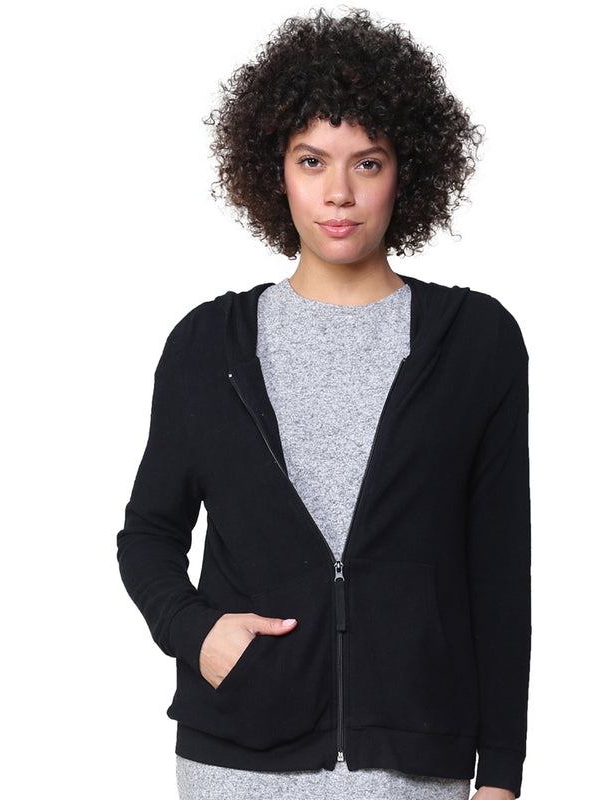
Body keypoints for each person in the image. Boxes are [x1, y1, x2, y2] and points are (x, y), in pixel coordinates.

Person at [117, 9, 530, 800]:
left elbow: (500, 569)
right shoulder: (207, 345)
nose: (339, 193)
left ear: (407, 171)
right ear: (275, 170)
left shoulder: (476, 343)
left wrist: (502, 772)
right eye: (312, 161)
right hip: (235, 763)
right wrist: (195, 632)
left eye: (368, 163)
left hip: (416, 765)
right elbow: (149, 534)